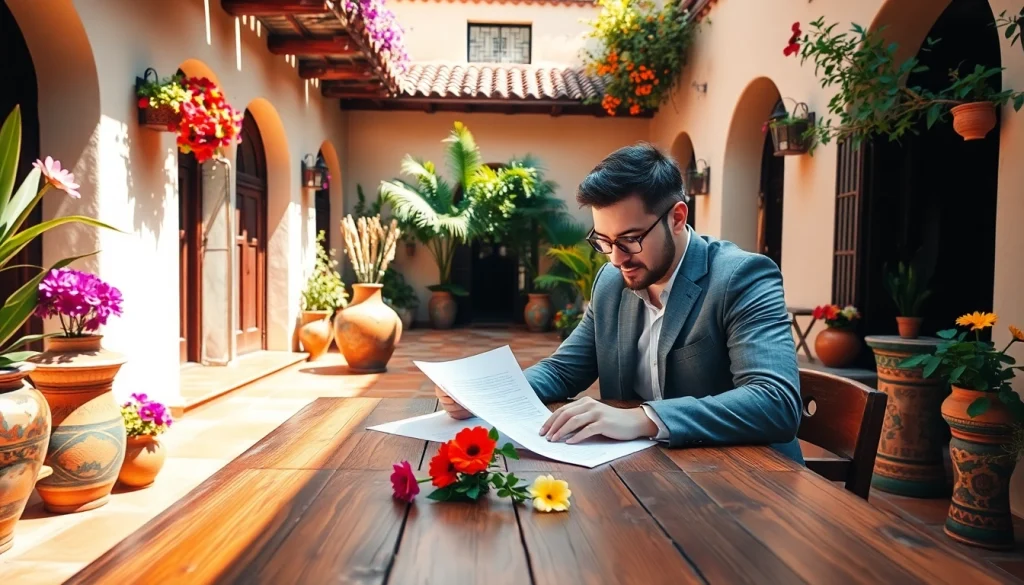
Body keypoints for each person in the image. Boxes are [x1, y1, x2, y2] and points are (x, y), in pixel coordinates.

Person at [436, 142, 804, 463]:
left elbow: (775, 402)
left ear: (677, 218)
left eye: (629, 239)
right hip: (647, 474)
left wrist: (643, 419)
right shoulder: (612, 282)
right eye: (604, 241)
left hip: (750, 481)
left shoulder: (741, 277)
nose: (615, 258)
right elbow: (563, 370)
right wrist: (482, 395)